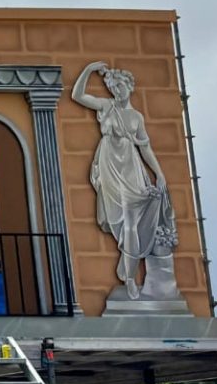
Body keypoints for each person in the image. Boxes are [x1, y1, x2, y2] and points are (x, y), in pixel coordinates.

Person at [72, 60, 177, 300]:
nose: (117, 91)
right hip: (110, 164)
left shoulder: (136, 117)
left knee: (134, 220)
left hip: (131, 166)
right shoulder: (106, 106)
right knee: (125, 224)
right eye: (113, 87)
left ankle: (128, 273)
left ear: (129, 86)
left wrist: (159, 173)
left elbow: (146, 148)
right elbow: (77, 95)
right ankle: (129, 276)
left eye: (120, 86)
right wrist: (88, 69)